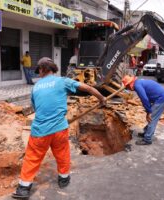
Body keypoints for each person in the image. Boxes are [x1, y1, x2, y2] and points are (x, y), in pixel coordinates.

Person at [12, 57, 106, 199]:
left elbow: (36, 107)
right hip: (59, 129)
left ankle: (24, 188)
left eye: (39, 71)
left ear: (43, 69)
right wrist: (101, 98)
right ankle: (63, 179)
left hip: (40, 131)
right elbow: (87, 88)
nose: (39, 74)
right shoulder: (62, 81)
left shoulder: (35, 87)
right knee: (62, 154)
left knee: (32, 157)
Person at [122, 75, 164, 145]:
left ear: (129, 84)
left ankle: (147, 139)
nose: (128, 89)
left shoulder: (137, 86)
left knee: (152, 119)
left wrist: (149, 111)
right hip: (162, 98)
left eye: (127, 87)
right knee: (152, 117)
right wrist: (148, 111)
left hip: (162, 99)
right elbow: (148, 96)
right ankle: (146, 132)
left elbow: (144, 99)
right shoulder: (138, 82)